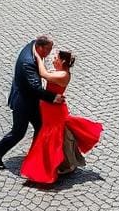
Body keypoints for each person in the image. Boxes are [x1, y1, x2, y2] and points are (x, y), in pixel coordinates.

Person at [20, 50, 103, 183]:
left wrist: (38, 57)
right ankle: (64, 163)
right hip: (50, 110)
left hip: (54, 112)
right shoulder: (60, 73)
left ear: (63, 61)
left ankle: (51, 167)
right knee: (59, 136)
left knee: (54, 137)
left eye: (56, 58)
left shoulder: (63, 75)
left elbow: (43, 74)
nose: (53, 60)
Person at [0, 35, 65, 170]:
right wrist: (53, 97)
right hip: (23, 102)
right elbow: (35, 88)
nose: (49, 53)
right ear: (40, 47)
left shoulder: (32, 46)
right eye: (48, 49)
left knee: (40, 126)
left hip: (29, 99)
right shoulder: (28, 62)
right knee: (18, 132)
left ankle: (35, 155)